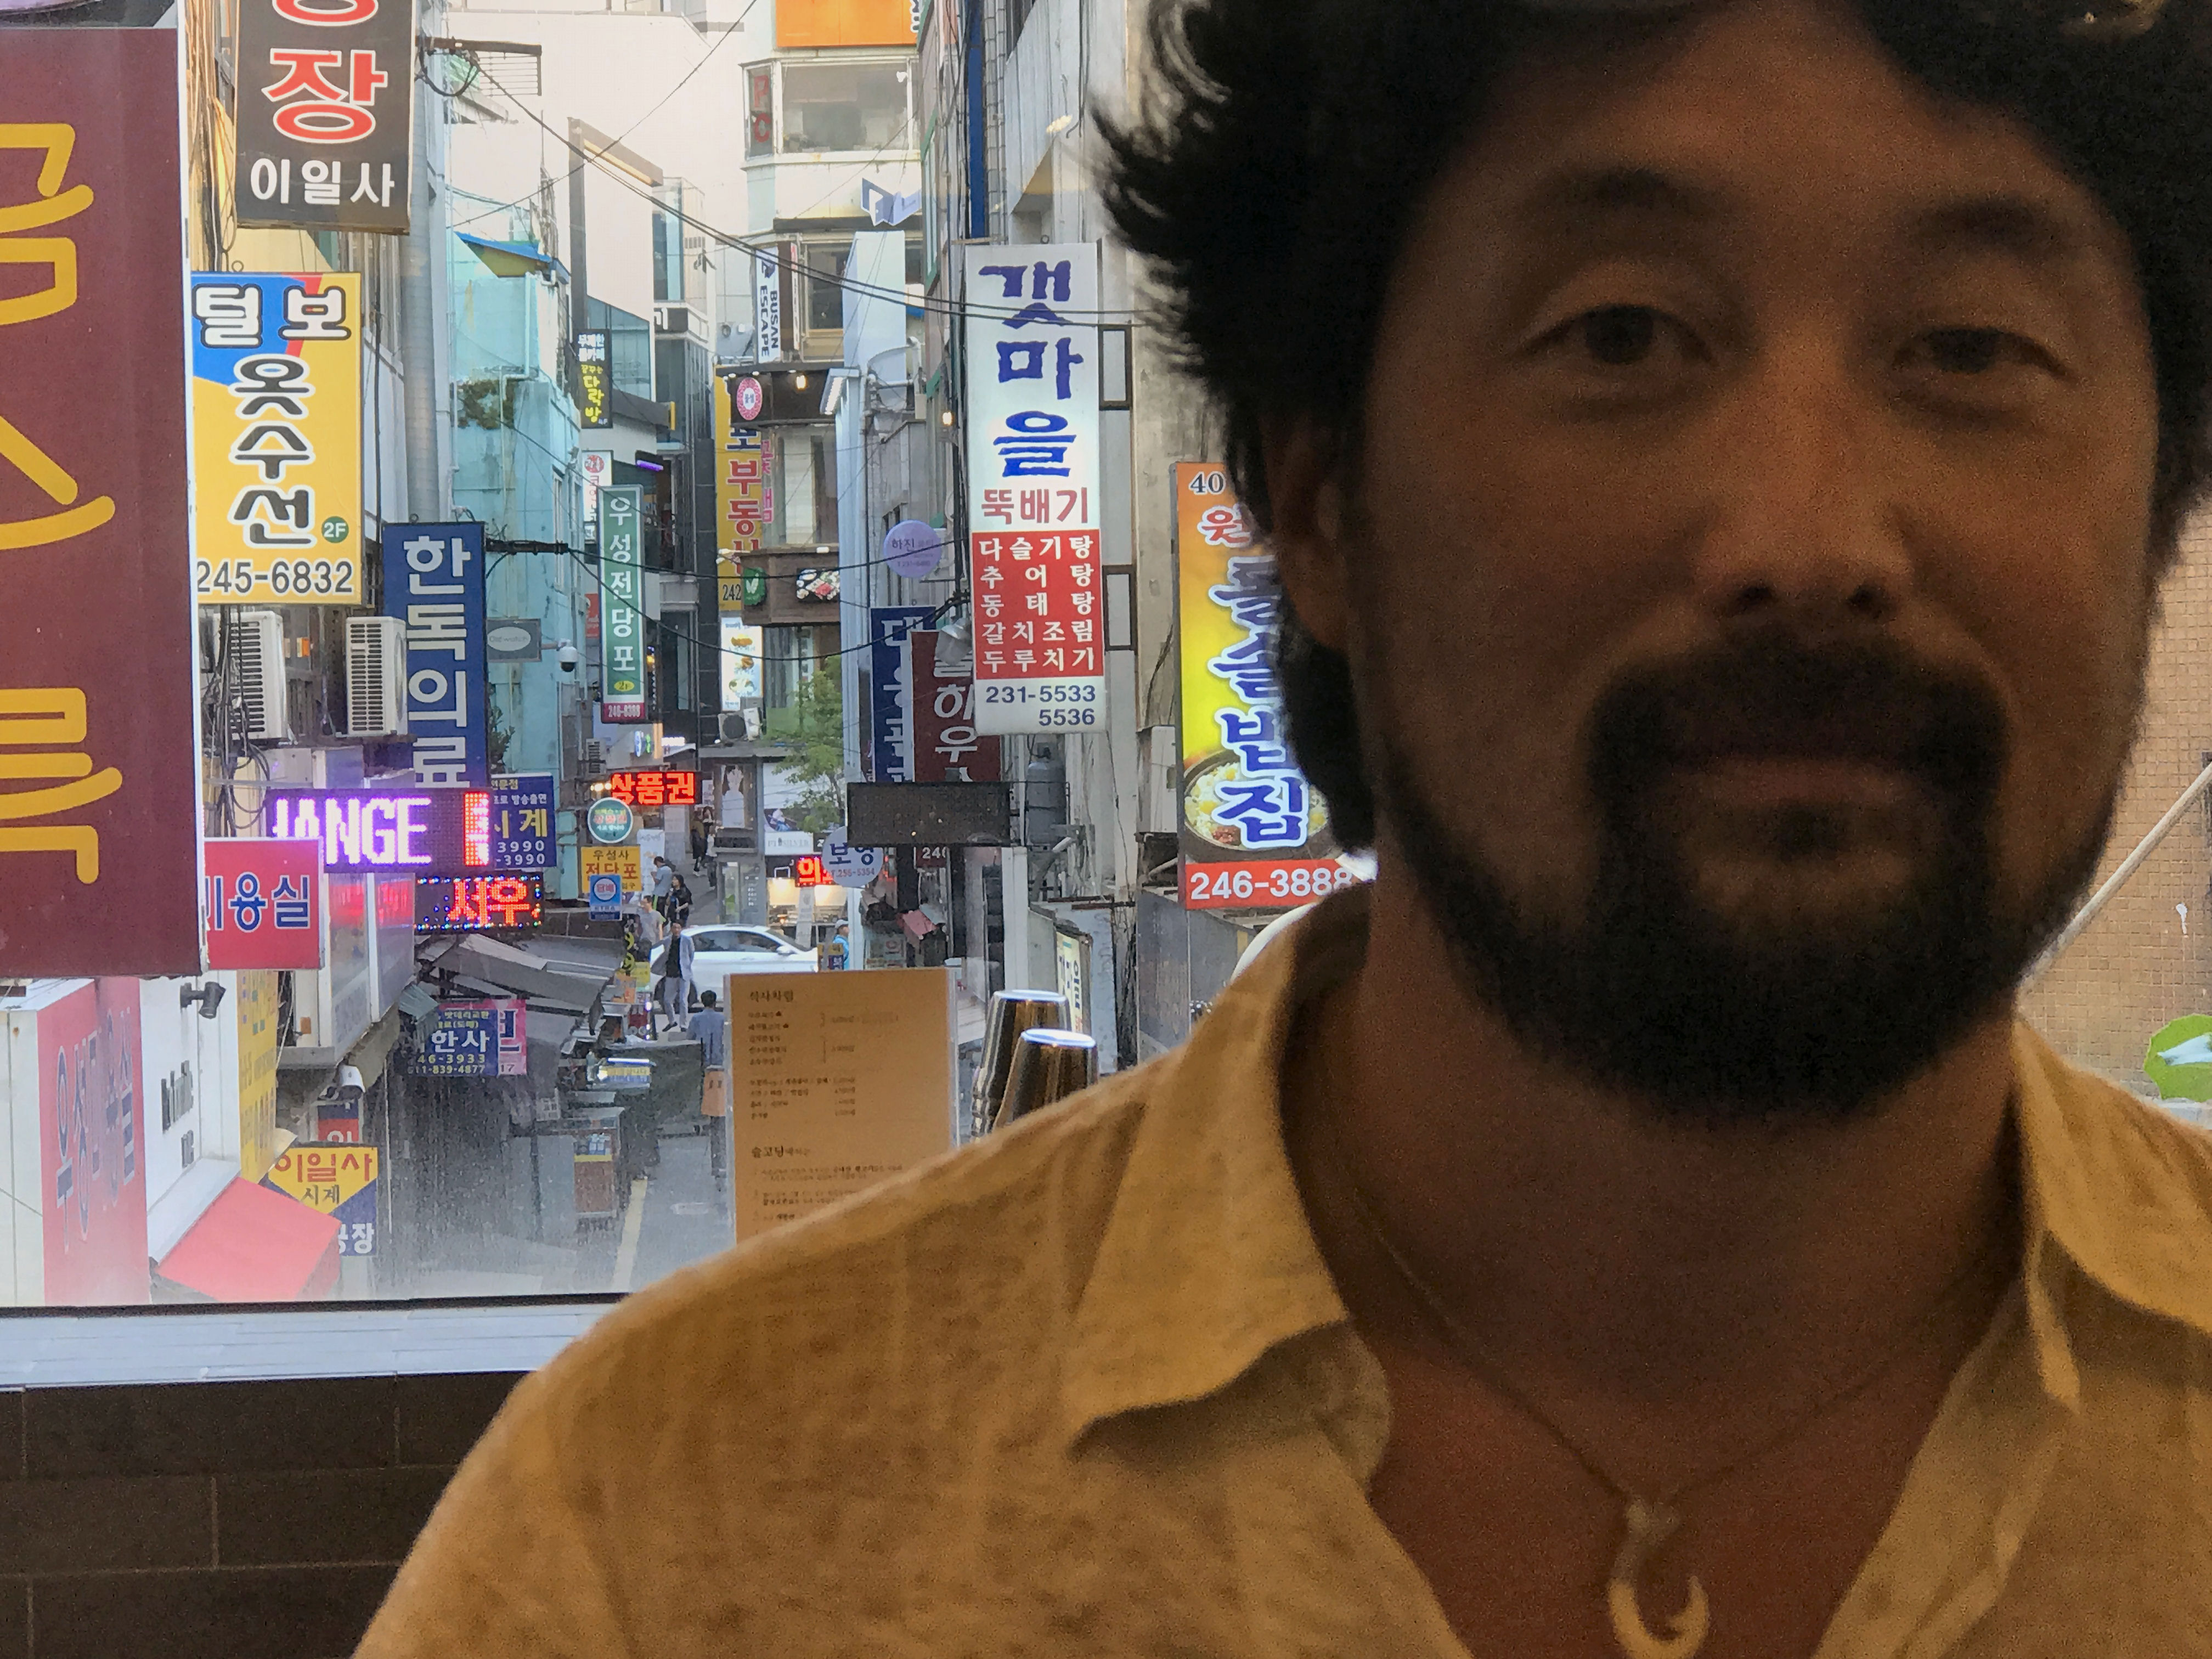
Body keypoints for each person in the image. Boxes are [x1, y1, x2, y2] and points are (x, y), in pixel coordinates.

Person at [357, 4, 2212, 1656]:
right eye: (1623, 332)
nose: (1810, 539)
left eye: (1974, 348)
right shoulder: (673, 1531)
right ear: (1320, 501)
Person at [687, 991, 730, 1189]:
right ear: (715, 1003)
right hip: (720, 1068)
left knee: (703, 1093)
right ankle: (719, 1114)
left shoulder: (696, 1019)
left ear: (702, 1002)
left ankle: (704, 1118)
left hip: (703, 1066)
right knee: (719, 1098)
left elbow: (690, 1041)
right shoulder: (722, 1019)